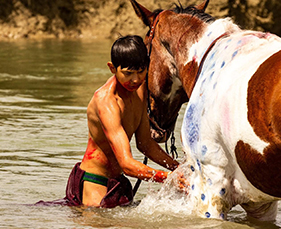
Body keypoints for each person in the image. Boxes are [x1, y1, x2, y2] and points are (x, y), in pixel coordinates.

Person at [38, 35, 185, 208]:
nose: (135, 79)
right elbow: (127, 164)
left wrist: (178, 169)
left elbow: (145, 144)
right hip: (95, 183)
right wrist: (168, 178)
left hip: (118, 182)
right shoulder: (107, 102)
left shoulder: (140, 90)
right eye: (128, 73)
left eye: (140, 71)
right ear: (112, 68)